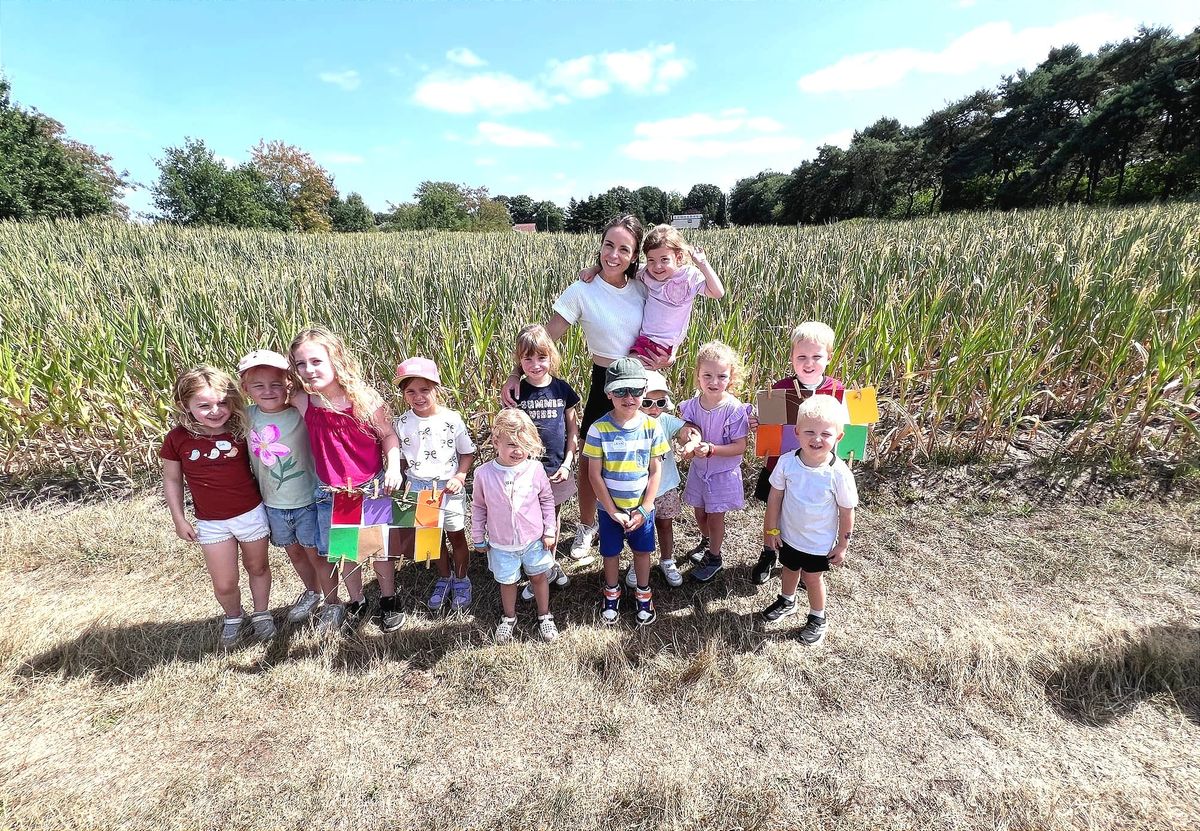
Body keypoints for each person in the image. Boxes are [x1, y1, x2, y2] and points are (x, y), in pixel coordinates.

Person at [501, 215, 670, 564]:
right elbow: (545, 338)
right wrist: (515, 373)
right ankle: (587, 526)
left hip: (642, 380)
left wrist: (668, 357)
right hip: (603, 380)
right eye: (609, 245)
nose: (614, 254)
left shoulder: (644, 285)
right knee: (591, 460)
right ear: (600, 246)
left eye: (624, 249)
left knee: (644, 455)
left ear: (634, 254)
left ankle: (642, 521)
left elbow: (670, 323)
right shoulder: (582, 290)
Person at [290, 326, 404, 635]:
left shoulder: (363, 398)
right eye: (301, 364)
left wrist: (393, 466)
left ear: (336, 359)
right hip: (333, 493)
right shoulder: (303, 401)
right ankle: (357, 601)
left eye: (316, 361)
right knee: (346, 553)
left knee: (380, 550)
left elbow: (388, 436)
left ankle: (388, 598)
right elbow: (268, 384)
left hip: (373, 488)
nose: (308, 370)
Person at [160, 366, 274, 648]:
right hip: (212, 522)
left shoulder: (241, 430)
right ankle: (233, 616)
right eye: (204, 405)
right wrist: (179, 519)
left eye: (222, 402)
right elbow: (172, 480)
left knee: (257, 566)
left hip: (250, 514)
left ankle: (262, 613)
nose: (215, 411)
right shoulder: (177, 439)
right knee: (224, 582)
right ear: (184, 404)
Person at [749, 321, 846, 586]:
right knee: (775, 509)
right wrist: (758, 422)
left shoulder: (838, 391)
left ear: (828, 357)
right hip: (780, 466)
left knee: (811, 514)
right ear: (792, 357)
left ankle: (806, 562)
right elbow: (768, 429)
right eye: (801, 356)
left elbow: (843, 432)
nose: (808, 363)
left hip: (816, 472)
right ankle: (769, 552)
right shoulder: (778, 389)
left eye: (816, 356)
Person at [759, 395, 857, 646]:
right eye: (810, 432)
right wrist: (772, 529)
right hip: (789, 534)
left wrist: (843, 545)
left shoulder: (839, 474)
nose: (817, 439)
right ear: (797, 433)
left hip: (818, 543)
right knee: (789, 569)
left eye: (826, 434)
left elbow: (847, 512)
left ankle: (817, 617)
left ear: (838, 437)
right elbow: (775, 497)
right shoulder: (787, 462)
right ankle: (787, 600)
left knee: (812, 578)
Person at [238, 349, 323, 626]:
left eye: (276, 384)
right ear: (246, 388)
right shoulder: (246, 416)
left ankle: (332, 600)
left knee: (316, 553)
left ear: (289, 384)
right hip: (273, 503)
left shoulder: (301, 411)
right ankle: (313, 592)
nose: (268, 391)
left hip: (308, 499)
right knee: (295, 552)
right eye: (258, 385)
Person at [582, 358, 669, 626]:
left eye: (634, 391)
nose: (628, 397)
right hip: (610, 510)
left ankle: (643, 593)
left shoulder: (652, 427)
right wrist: (611, 510)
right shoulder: (598, 429)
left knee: (642, 552)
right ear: (609, 394)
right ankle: (612, 591)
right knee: (610, 552)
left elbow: (655, 472)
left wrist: (645, 508)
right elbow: (593, 474)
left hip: (641, 508)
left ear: (644, 391)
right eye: (620, 391)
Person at [393, 357, 477, 613]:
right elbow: (401, 459)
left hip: (448, 488)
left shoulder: (451, 419)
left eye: (424, 390)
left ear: (436, 389)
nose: (418, 397)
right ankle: (444, 577)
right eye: (411, 391)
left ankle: (462, 579)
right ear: (404, 394)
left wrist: (460, 477)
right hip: (418, 489)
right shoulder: (401, 423)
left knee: (456, 536)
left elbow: (467, 452)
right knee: (431, 538)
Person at [580, 223, 725, 366]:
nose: (657, 267)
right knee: (628, 373)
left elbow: (717, 292)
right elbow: (618, 268)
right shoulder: (646, 273)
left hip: (662, 346)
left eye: (664, 259)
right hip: (644, 340)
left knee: (626, 369)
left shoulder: (688, 276)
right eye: (651, 260)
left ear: (679, 257)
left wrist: (703, 263)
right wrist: (594, 269)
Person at [471, 409, 559, 643]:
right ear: (496, 441)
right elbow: (479, 507)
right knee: (507, 581)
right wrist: (478, 535)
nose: (518, 451)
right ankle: (509, 617)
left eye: (524, 444)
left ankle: (544, 615)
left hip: (534, 540)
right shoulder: (484, 474)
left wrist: (549, 530)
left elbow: (547, 500)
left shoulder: (535, 469)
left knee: (539, 577)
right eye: (511, 444)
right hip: (501, 543)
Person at [510, 324, 577, 602]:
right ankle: (536, 567)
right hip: (526, 472)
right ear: (520, 361)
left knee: (553, 517)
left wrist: (568, 463)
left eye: (541, 358)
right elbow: (510, 431)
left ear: (551, 356)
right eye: (528, 359)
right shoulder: (517, 392)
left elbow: (573, 430)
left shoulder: (563, 390)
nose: (535, 365)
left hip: (556, 469)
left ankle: (547, 563)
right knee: (529, 518)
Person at [675, 341, 750, 583]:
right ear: (698, 375)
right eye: (707, 375)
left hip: (722, 473)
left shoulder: (734, 409)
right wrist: (687, 440)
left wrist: (712, 449)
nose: (714, 382)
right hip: (699, 471)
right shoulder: (693, 405)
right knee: (699, 512)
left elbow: (740, 446)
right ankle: (707, 541)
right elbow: (686, 429)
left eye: (721, 376)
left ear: (731, 377)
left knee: (716, 516)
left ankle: (715, 557)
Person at [624, 370, 685, 589]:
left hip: (665, 486)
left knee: (665, 525)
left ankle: (667, 560)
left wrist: (691, 437)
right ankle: (637, 562)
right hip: (639, 489)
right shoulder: (630, 423)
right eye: (648, 402)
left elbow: (685, 429)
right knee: (639, 529)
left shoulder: (666, 421)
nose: (654, 408)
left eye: (660, 402)